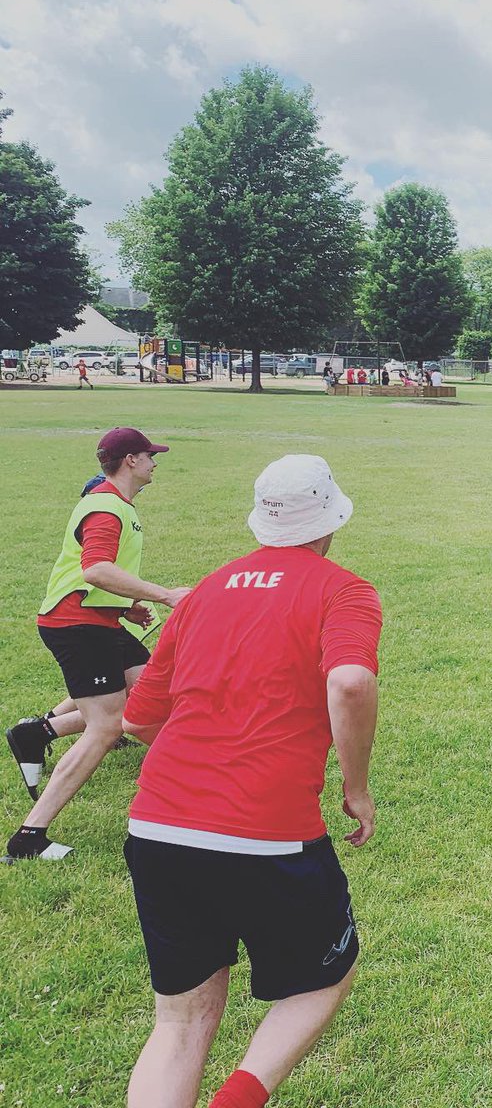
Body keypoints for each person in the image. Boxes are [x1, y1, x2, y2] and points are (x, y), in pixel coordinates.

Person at [120, 454, 382, 1108]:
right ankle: (237, 1100)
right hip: (269, 836)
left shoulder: (207, 590)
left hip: (157, 826)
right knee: (326, 978)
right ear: (328, 522)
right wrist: (356, 786)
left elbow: (137, 720)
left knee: (179, 1023)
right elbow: (350, 681)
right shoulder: (342, 589)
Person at [4, 429, 191, 862]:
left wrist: (126, 608)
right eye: (149, 456)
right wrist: (163, 594)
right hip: (77, 627)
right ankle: (29, 837)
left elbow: (88, 574)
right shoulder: (107, 507)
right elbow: (94, 570)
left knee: (150, 695)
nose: (154, 463)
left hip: (98, 621)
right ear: (130, 460)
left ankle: (37, 732)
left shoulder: (115, 503)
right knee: (106, 726)